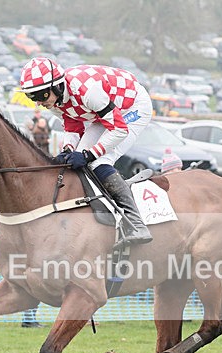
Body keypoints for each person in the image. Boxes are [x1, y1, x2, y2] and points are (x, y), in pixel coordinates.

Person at [19, 57, 153, 247]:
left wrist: (88, 155)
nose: (38, 102)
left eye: (40, 95)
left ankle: (136, 223)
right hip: (104, 112)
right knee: (73, 160)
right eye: (32, 97)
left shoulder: (88, 92)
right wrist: (68, 149)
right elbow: (73, 125)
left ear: (56, 86)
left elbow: (119, 129)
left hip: (132, 106)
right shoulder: (55, 100)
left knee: (98, 161)